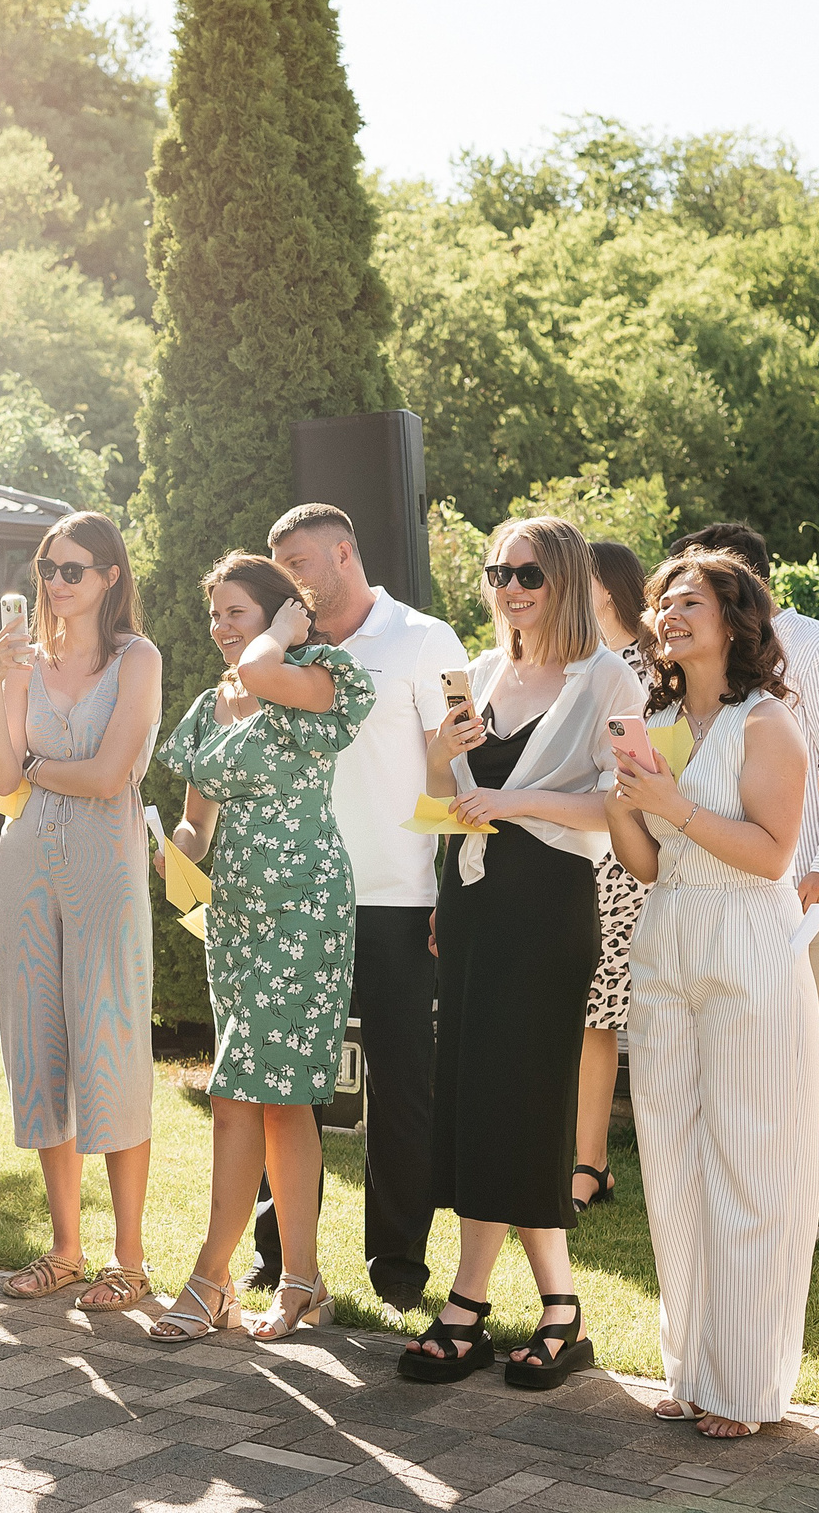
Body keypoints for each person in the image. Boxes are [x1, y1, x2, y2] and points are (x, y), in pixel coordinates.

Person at [401, 517, 641, 1389]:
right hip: (471, 901)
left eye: (528, 574)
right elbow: (446, 798)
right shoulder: (486, 669)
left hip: (546, 907)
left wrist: (513, 799)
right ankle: (560, 1310)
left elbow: (623, 808)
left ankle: (467, 1306)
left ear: (567, 580)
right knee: (476, 1098)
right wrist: (440, 760)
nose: (510, 588)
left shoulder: (607, 676)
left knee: (521, 1100)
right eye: (498, 572)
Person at [604, 550, 818, 1437]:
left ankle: (747, 1386)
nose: (669, 613)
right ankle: (691, 1368)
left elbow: (773, 854)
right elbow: (649, 862)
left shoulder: (769, 723)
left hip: (749, 939)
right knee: (674, 1158)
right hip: (670, 935)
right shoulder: (653, 719)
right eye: (663, 602)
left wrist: (671, 800)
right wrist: (622, 797)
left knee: (751, 1161)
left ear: (735, 620)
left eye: (689, 600)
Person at [149, 553, 374, 1343]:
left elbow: (266, 668)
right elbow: (196, 825)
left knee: (240, 1088)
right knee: (275, 1094)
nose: (220, 628)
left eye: (235, 611)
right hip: (238, 916)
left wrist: (280, 636)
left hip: (304, 907)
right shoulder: (213, 706)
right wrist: (174, 852)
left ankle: (212, 1276)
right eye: (215, 613)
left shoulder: (313, 678)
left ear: (281, 615)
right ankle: (303, 1280)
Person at [264, 503, 467, 1312]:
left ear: (345, 552)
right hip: (301, 898)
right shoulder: (290, 649)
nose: (294, 583)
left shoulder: (426, 639)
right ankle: (281, 1255)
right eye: (282, 570)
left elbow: (455, 771)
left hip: (398, 897)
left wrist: (449, 889)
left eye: (302, 564)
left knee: (402, 1086)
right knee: (291, 1088)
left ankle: (398, 1267)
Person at [672, 522, 819, 1269]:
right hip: (736, 890)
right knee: (758, 1047)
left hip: (817, 885)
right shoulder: (699, 668)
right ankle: (804, 1202)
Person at [0, 512, 163, 1312]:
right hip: (24, 871)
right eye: (48, 566)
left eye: (74, 568)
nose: (56, 581)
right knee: (42, 1049)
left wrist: (32, 766)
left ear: (111, 576)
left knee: (110, 1044)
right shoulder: (21, 660)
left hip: (105, 867)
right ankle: (64, 1248)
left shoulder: (139, 659)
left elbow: (107, 774)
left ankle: (129, 1258)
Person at [575, 540, 656, 1216]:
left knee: (600, 1010)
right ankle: (582, 1158)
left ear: (605, 587)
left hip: (632, 858)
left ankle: (590, 1162)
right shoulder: (578, 661)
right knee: (583, 1012)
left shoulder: (653, 664)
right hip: (577, 851)